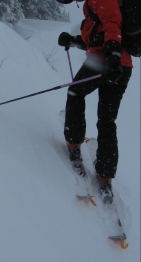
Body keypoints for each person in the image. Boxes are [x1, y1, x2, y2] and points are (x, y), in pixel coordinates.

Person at [56, 0, 133, 204]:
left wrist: (112, 57)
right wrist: (72, 40)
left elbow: (112, 24)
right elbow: (98, 38)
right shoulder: (92, 4)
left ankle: (74, 145)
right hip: (121, 67)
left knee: (75, 93)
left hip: (106, 62)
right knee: (107, 119)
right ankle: (105, 176)